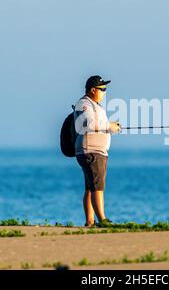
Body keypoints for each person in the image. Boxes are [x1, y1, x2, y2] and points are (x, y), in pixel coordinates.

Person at [74, 75, 121, 227]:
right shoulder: (84, 104)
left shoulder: (95, 105)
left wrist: (111, 126)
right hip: (91, 151)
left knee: (90, 187)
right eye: (102, 89)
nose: (104, 92)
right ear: (93, 90)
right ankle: (103, 220)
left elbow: (98, 124)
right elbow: (88, 124)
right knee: (97, 186)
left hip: (97, 151)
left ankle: (90, 221)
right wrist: (109, 126)